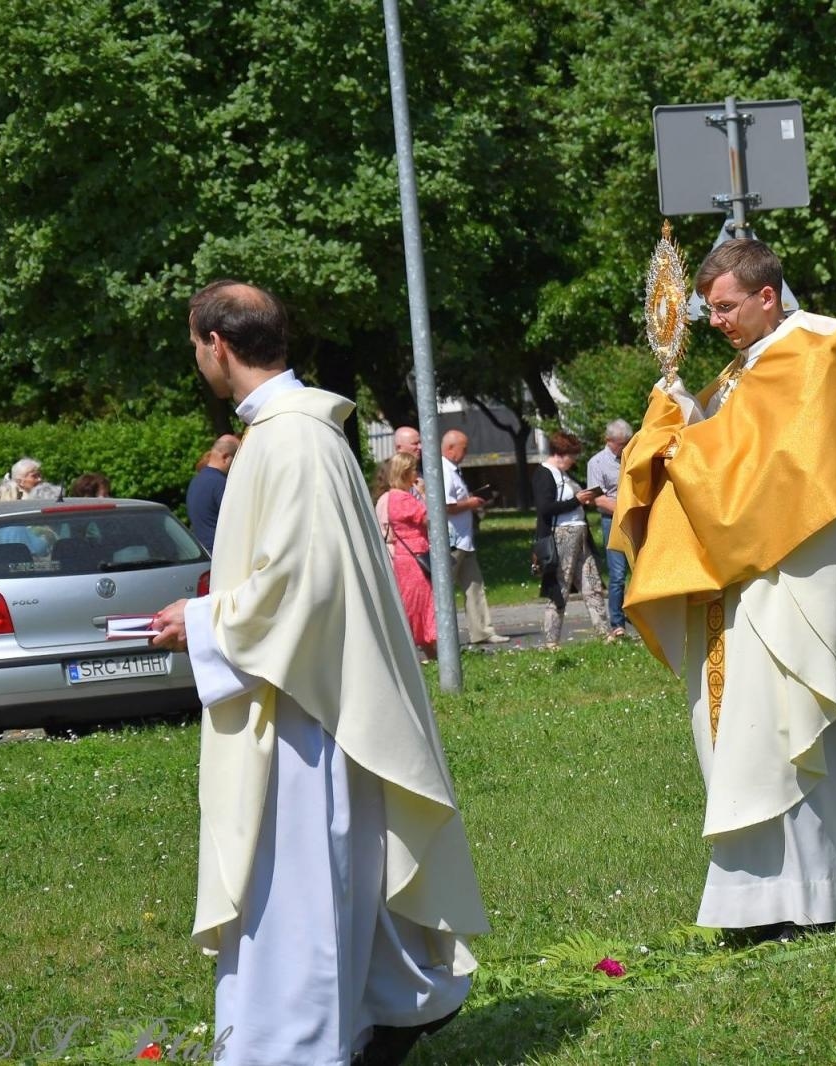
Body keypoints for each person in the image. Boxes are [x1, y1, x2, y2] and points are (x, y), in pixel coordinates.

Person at [150, 280, 487, 1066]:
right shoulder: (288, 431)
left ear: (216, 345)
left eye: (195, 345)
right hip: (305, 686)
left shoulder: (293, 439)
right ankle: (385, 1011)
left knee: (297, 886)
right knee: (332, 878)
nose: (197, 358)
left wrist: (198, 621)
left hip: (305, 710)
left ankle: (298, 1044)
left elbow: (303, 585)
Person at [611, 238, 836, 934]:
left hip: (795, 589)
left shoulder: (807, 357)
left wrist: (678, 440)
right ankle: (771, 893)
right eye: (709, 309)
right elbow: (739, 452)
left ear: (766, 296)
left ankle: (809, 894)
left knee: (787, 734)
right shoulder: (747, 368)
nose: (716, 321)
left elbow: (764, 480)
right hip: (749, 580)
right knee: (753, 736)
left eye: (726, 306)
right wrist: (683, 415)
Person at [534, 431, 610, 649]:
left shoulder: (564, 474)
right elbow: (545, 508)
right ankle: (551, 641)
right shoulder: (544, 474)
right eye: (571, 456)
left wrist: (585, 497)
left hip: (580, 533)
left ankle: (605, 634)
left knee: (592, 584)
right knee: (561, 586)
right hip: (561, 534)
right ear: (559, 453)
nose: (574, 461)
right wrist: (576, 500)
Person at [441, 429, 507, 645]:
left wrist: (470, 499)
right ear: (450, 448)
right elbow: (445, 505)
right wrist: (470, 503)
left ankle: (482, 631)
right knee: (442, 589)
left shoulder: (454, 470)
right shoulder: (443, 470)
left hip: (464, 539)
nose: (466, 452)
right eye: (464, 448)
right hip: (452, 540)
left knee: (475, 586)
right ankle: (438, 636)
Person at [374, 452, 436, 658]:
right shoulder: (402, 498)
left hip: (406, 556)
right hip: (415, 559)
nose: (417, 474)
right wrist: (424, 494)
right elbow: (430, 518)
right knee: (423, 604)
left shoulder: (392, 497)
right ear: (405, 473)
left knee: (416, 604)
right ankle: (432, 650)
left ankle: (431, 652)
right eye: (414, 470)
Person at [587, 420, 633, 640]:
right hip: (612, 520)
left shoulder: (631, 456)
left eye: (627, 442)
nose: (624, 447)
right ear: (608, 440)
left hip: (635, 520)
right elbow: (598, 499)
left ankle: (640, 614)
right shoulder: (597, 462)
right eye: (621, 443)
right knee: (617, 575)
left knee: (641, 570)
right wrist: (625, 509)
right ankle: (617, 624)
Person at [186, 435, 240, 552]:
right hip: (220, 553)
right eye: (237, 459)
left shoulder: (196, 481)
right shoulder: (221, 484)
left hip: (202, 552)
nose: (239, 464)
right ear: (225, 457)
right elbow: (238, 521)